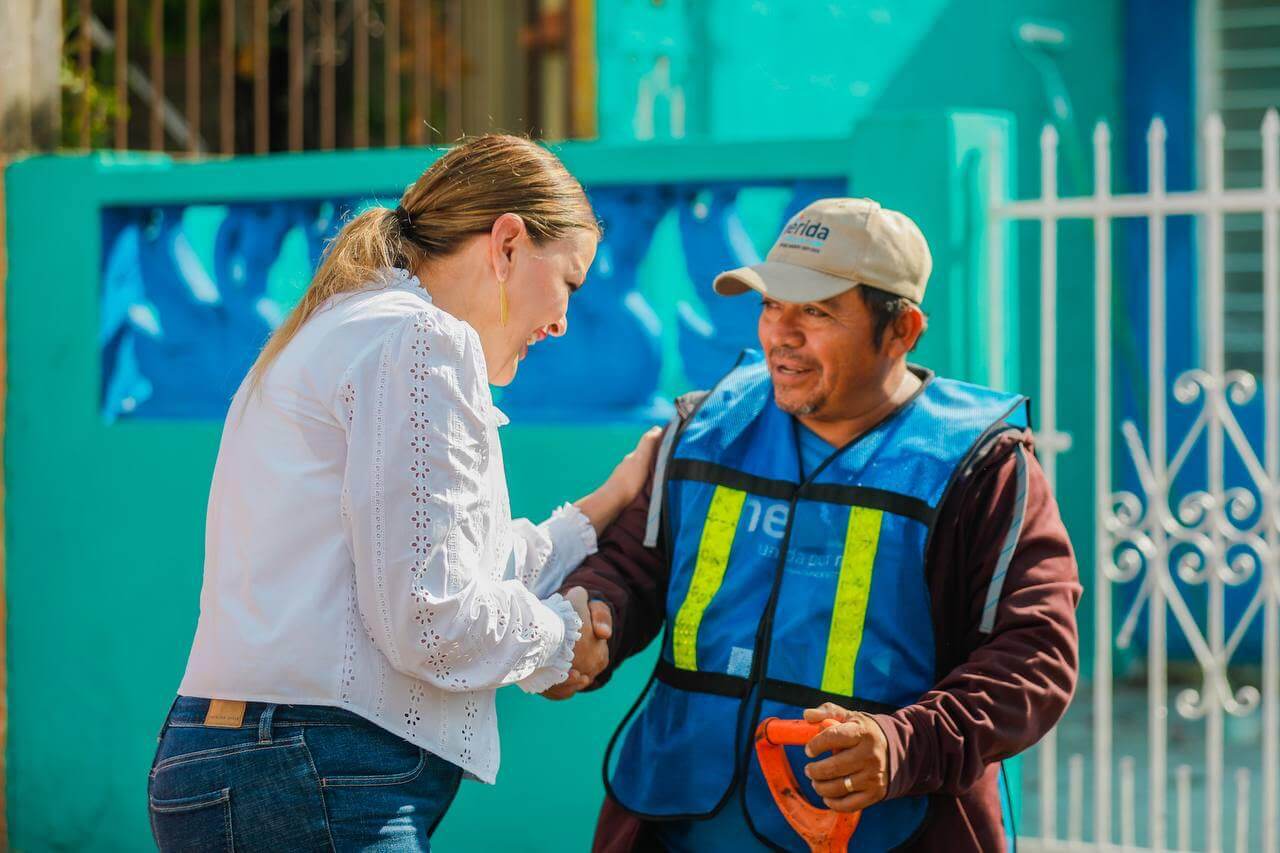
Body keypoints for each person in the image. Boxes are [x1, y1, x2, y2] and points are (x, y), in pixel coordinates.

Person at [148, 134, 648, 851]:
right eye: (568, 279)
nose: (564, 319)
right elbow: (433, 616)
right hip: (310, 768)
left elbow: (453, 563)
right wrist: (563, 634)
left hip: (253, 757)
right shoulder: (420, 340)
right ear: (507, 242)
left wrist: (605, 504)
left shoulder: (347, 326)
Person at [554, 198, 1082, 852]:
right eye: (772, 304)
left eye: (816, 311)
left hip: (887, 833)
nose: (781, 333)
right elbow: (632, 566)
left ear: (902, 331)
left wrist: (904, 744)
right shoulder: (706, 426)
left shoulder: (982, 467)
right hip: (674, 822)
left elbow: (1036, 653)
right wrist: (595, 616)